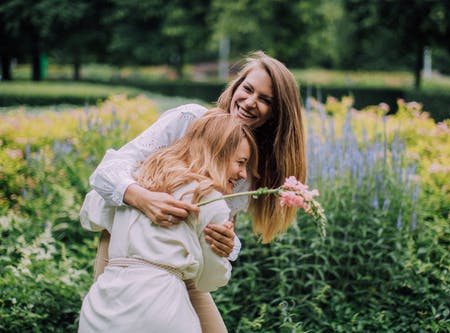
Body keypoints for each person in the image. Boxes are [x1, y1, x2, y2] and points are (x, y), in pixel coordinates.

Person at [88, 50, 307, 332]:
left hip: (179, 261)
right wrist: (142, 198)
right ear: (236, 87)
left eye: (265, 100)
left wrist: (228, 245)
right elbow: (106, 171)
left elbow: (218, 229)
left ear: (276, 115)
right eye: (248, 89)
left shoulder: (246, 169)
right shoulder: (189, 119)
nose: (250, 102)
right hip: (127, 251)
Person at [78, 110, 259, 333]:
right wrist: (223, 257)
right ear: (218, 154)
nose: (243, 174)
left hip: (100, 308)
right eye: (240, 163)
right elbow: (209, 281)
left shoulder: (138, 178)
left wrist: (135, 200)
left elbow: (89, 214)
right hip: (161, 309)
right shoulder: (209, 200)